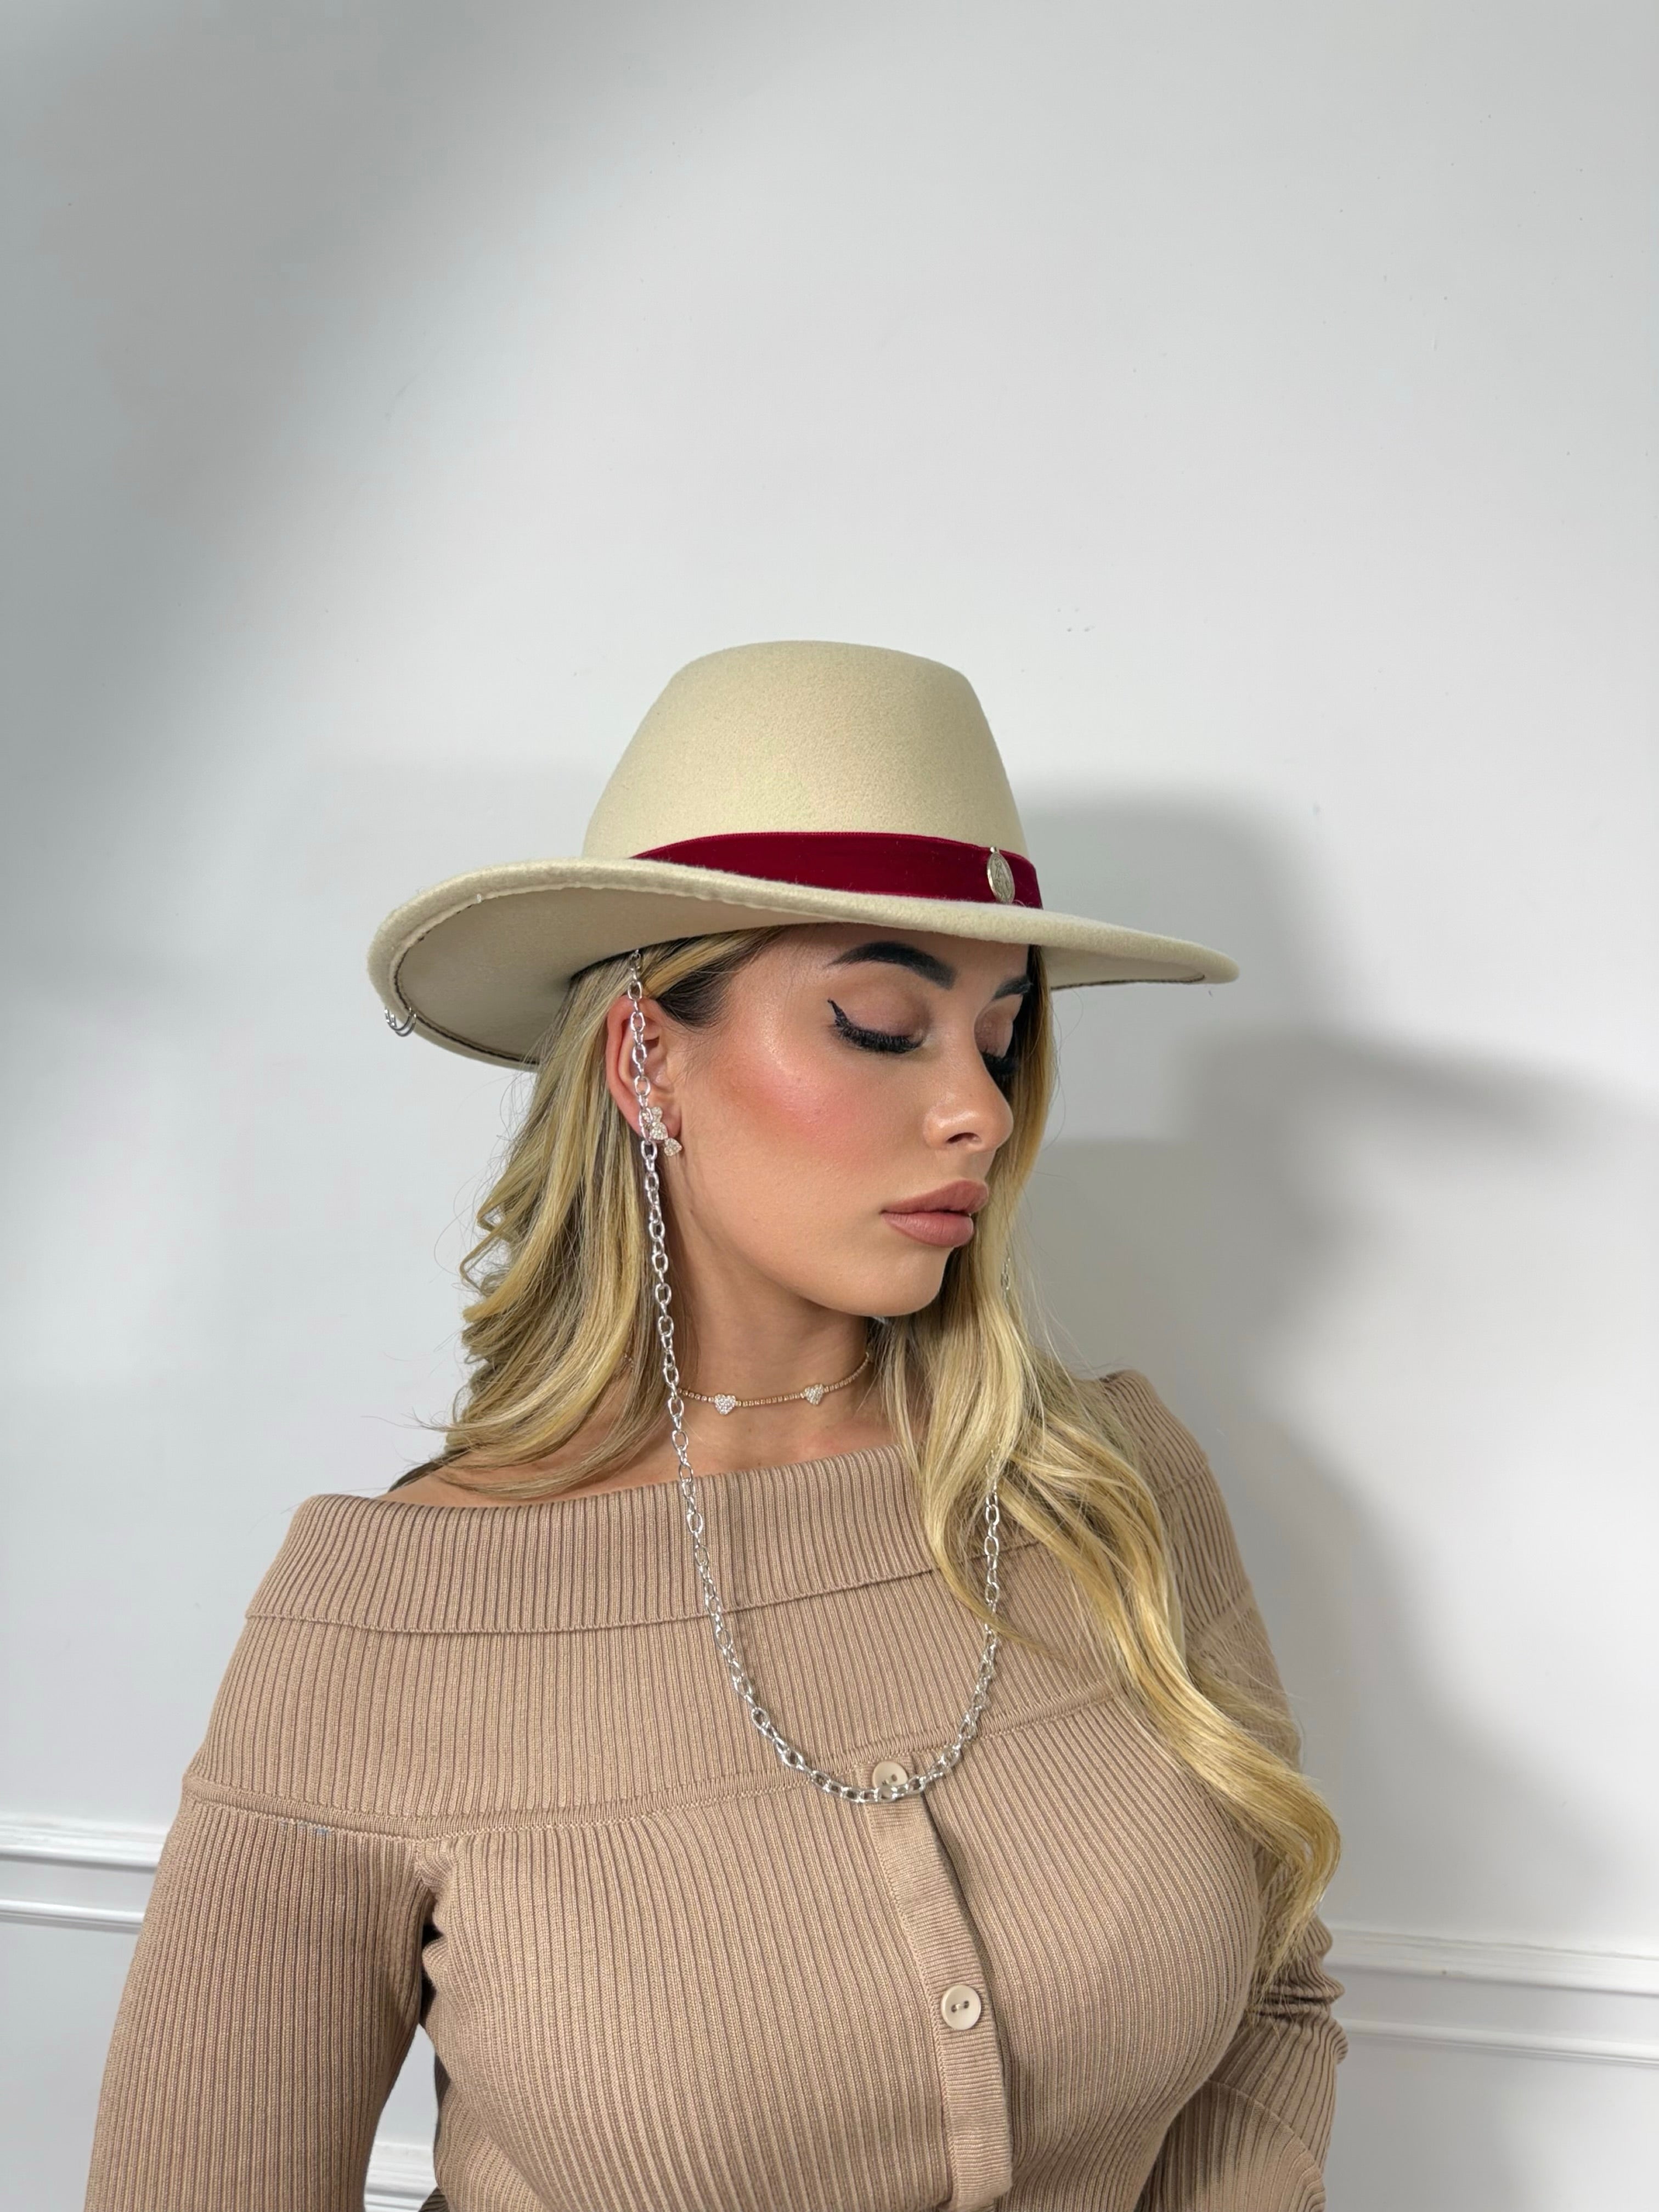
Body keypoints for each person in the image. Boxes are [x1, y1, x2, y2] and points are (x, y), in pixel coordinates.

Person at [83, 640, 1345, 2212]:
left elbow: (1275, 1999)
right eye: (881, 1022)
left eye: (1003, 1033)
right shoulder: (389, 1623)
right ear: (644, 1059)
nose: (982, 1108)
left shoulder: (1109, 1489)